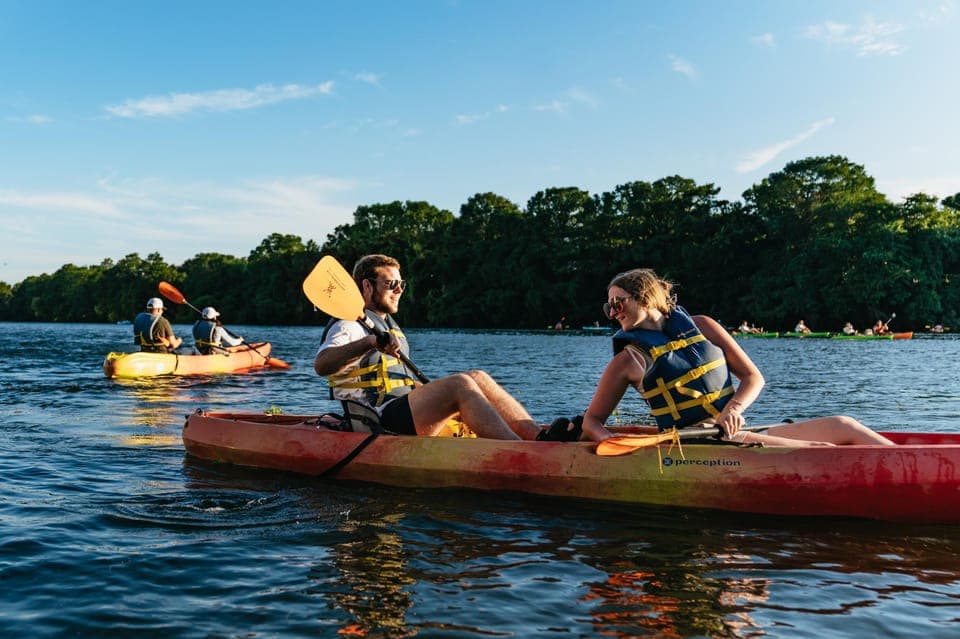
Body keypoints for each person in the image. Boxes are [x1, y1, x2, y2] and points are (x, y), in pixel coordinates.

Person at [576, 268, 895, 447]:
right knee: (822, 450)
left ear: (645, 298)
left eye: (618, 303)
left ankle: (918, 464)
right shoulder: (627, 361)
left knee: (844, 425)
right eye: (609, 306)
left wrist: (734, 408)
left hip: (730, 432)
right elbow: (592, 421)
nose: (612, 312)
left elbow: (753, 377)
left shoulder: (702, 326)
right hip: (695, 446)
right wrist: (611, 441)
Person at [313, 254, 544, 440]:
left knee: (477, 377)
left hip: (402, 411)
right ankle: (517, 451)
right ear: (367, 285)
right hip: (377, 420)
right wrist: (370, 342)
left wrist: (436, 396)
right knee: (460, 384)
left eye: (401, 284)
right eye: (391, 284)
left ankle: (537, 438)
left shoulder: (386, 325)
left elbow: (395, 382)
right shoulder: (349, 325)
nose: (399, 290)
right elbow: (322, 365)